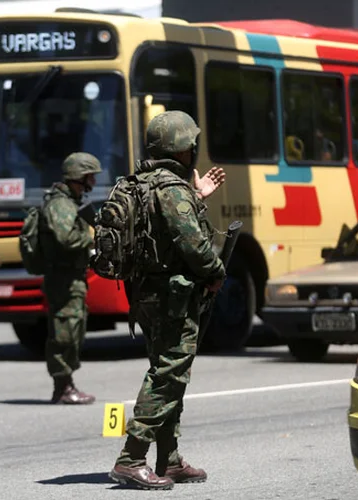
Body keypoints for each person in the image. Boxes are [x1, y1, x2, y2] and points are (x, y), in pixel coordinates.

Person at [108, 110, 227, 490]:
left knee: (167, 370)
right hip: (172, 296)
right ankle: (132, 457)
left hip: (145, 293)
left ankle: (169, 459)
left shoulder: (142, 182)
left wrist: (196, 196)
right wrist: (216, 273)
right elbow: (193, 244)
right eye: (192, 145)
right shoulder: (172, 189)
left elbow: (163, 231)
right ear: (184, 148)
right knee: (169, 374)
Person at [40, 152, 102, 404]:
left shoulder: (68, 202)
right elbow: (65, 238)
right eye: (90, 177)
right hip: (63, 279)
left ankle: (65, 385)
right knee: (65, 330)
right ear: (80, 177)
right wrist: (92, 240)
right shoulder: (61, 205)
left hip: (70, 277)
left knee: (73, 328)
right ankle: (63, 387)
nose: (93, 183)